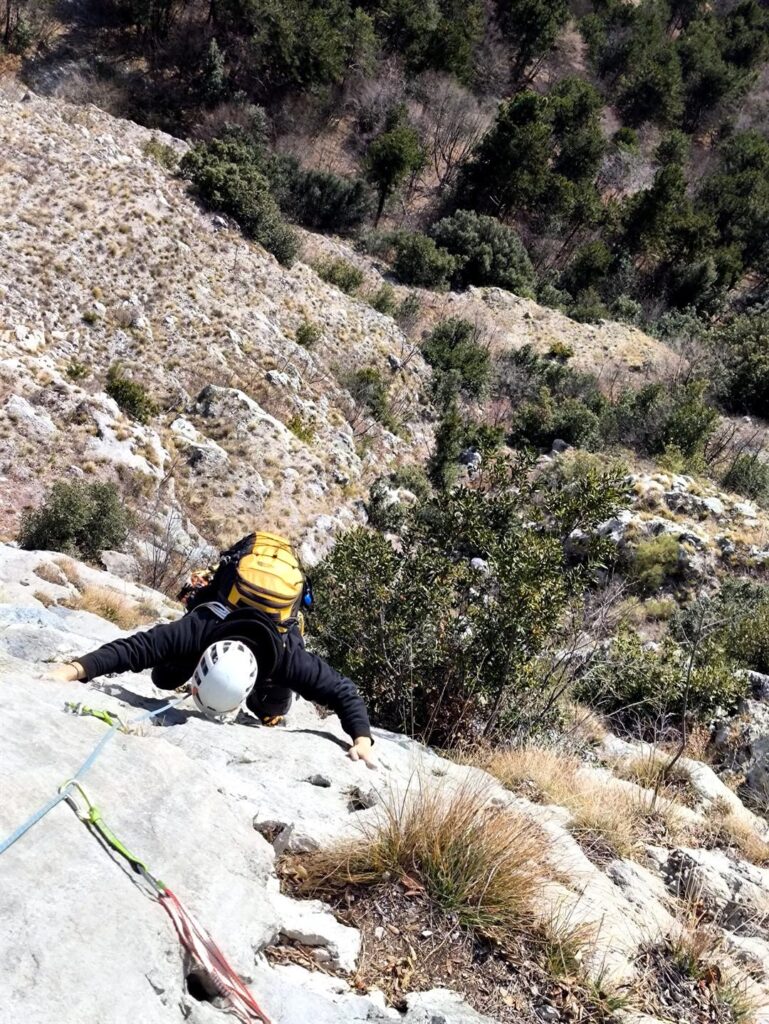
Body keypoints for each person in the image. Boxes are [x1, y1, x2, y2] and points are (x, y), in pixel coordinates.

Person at [50, 600, 377, 768]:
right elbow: (137, 648)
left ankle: (264, 705)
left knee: (271, 708)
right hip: (215, 635)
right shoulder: (198, 629)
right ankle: (183, 671)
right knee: (163, 678)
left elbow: (342, 690)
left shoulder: (290, 659)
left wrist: (362, 739)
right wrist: (76, 669)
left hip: (272, 664)